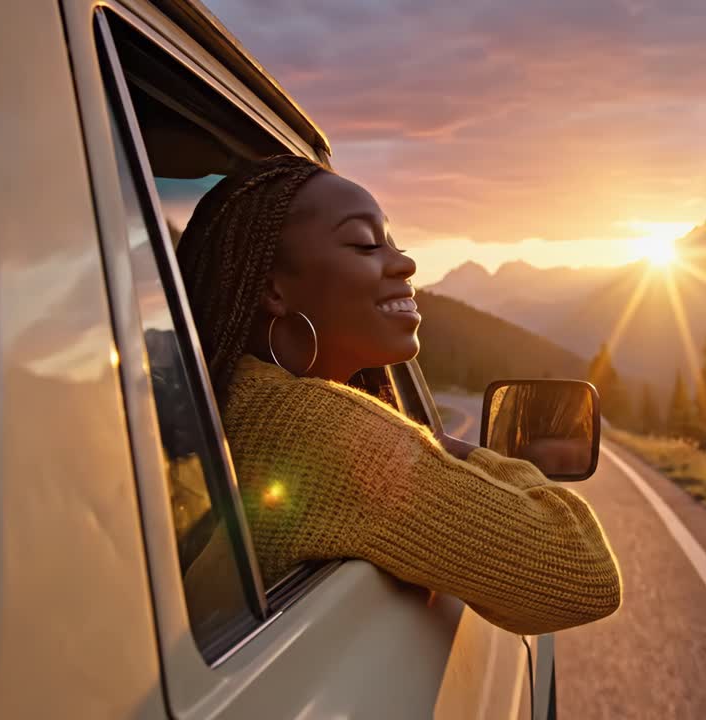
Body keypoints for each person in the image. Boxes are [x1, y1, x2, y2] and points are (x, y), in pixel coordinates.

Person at [175, 153, 621, 635]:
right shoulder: (311, 426)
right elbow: (585, 573)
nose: (405, 262)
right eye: (366, 244)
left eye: (394, 243)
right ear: (273, 289)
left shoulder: (233, 399)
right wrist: (445, 448)